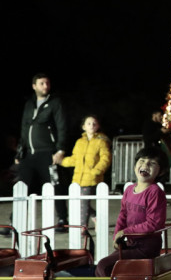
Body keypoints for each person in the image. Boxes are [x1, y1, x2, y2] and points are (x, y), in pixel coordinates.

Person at [95, 146, 168, 277]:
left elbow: (153, 224)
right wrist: (117, 234)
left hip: (146, 248)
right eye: (142, 161)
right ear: (135, 166)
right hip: (130, 244)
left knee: (104, 266)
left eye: (152, 163)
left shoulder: (154, 192)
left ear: (160, 171)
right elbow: (123, 214)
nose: (145, 165)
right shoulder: (129, 190)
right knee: (102, 266)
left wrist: (125, 232)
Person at [16, 73, 69, 227]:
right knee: (22, 187)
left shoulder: (55, 103)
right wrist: (20, 150)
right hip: (29, 154)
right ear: (34, 86)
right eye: (42, 83)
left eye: (47, 83)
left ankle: (62, 219)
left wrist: (60, 150)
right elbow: (24, 128)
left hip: (48, 153)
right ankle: (15, 221)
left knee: (55, 184)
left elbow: (61, 126)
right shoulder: (29, 104)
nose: (45, 86)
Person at [61, 115, 111, 222]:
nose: (92, 125)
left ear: (98, 126)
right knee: (79, 203)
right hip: (77, 179)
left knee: (83, 205)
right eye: (89, 123)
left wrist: (96, 171)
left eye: (94, 123)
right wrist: (62, 161)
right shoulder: (79, 142)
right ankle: (96, 217)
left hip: (91, 179)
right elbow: (75, 158)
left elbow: (105, 159)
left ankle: (83, 229)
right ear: (84, 127)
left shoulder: (101, 141)